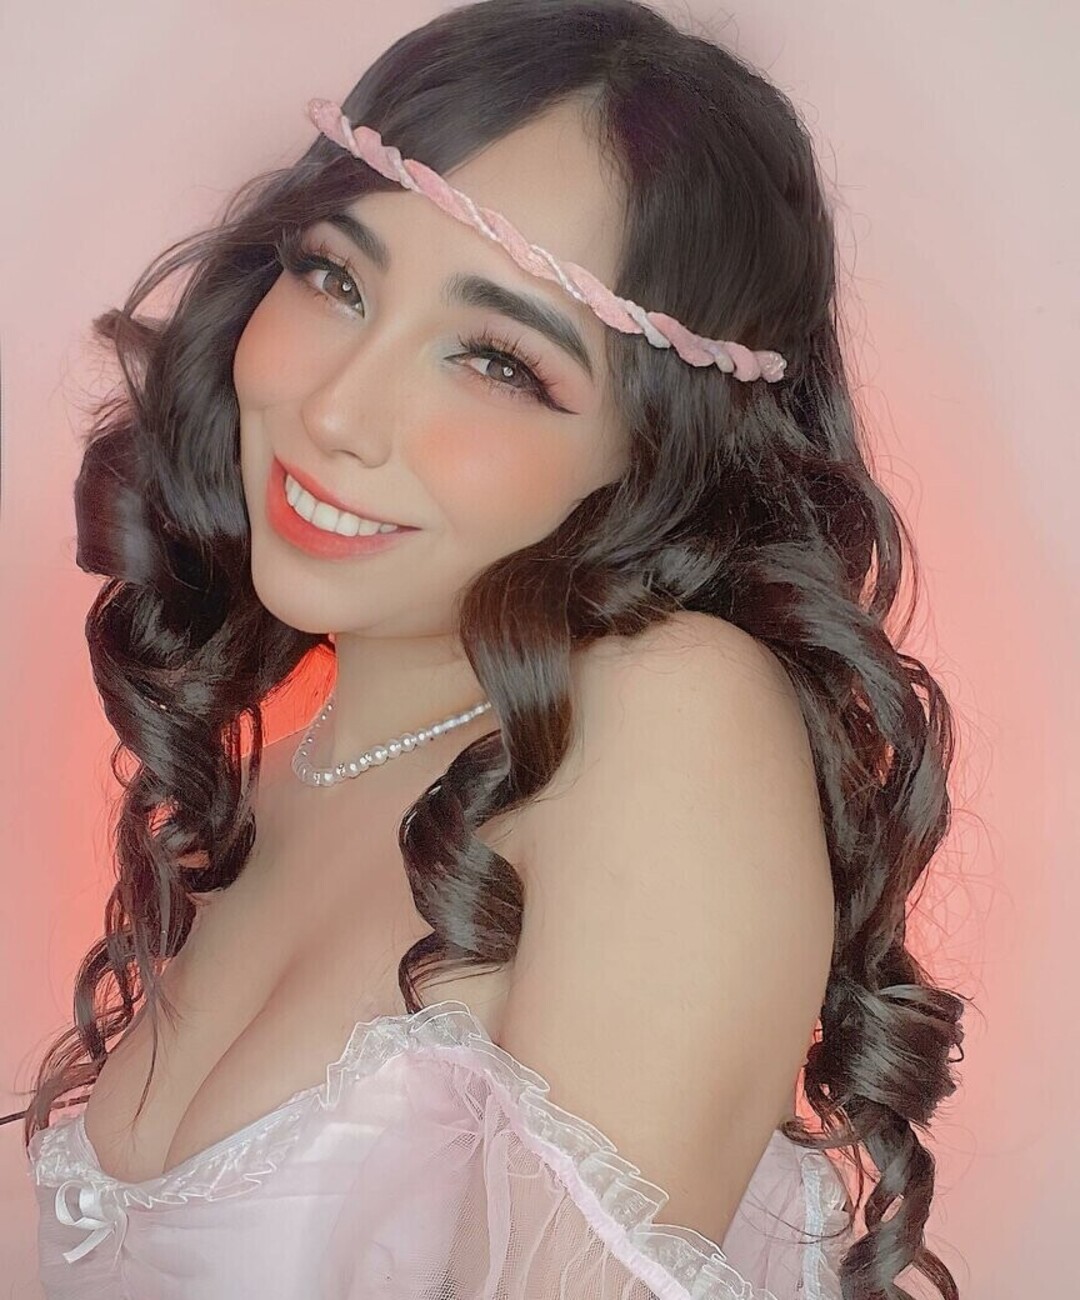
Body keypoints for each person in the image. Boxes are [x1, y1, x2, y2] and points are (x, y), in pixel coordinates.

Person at [15, 1, 967, 1296]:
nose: (338, 410)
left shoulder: (664, 718)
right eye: (335, 277)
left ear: (655, 448)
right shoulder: (269, 789)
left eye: (498, 362)